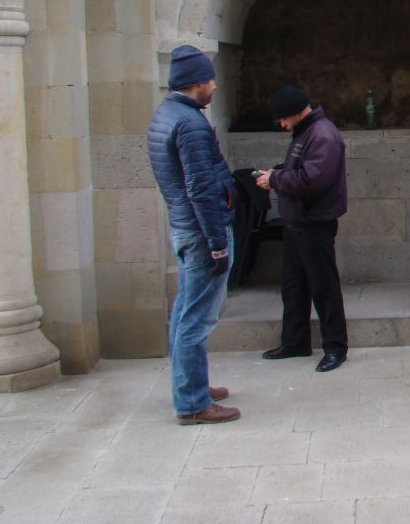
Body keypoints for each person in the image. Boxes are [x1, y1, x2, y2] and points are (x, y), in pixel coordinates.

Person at [147, 45, 239, 424]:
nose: (215, 85)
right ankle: (193, 403)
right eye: (211, 79)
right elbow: (200, 188)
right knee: (196, 318)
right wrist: (217, 243)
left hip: (184, 227)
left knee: (186, 311)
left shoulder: (166, 115)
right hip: (202, 233)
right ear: (197, 83)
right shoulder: (190, 124)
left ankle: (193, 385)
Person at [256, 86, 350, 373]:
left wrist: (275, 180)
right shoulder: (306, 132)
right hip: (298, 223)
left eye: (282, 119)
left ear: (296, 113)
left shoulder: (322, 134)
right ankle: (295, 342)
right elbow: (299, 168)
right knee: (293, 287)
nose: (281, 125)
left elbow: (312, 180)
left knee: (324, 288)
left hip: (315, 224)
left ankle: (335, 347)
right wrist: (277, 172)